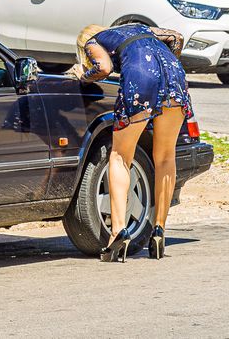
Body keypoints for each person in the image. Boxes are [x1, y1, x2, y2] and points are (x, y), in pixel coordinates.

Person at [74, 23, 193, 262]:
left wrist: (83, 76)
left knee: (120, 156)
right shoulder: (141, 28)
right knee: (166, 156)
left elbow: (104, 68)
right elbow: (176, 38)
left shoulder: (93, 41)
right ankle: (159, 231)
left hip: (142, 76)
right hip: (174, 76)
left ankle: (118, 233)